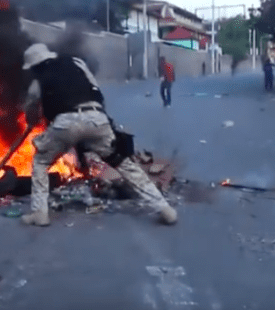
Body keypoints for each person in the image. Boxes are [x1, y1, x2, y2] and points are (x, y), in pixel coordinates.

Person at [20, 43, 177, 227]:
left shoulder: (38, 81)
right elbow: (95, 90)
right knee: (125, 165)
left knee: (40, 162)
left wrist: (36, 118)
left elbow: (31, 111)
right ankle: (165, 209)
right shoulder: (76, 63)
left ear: (35, 64)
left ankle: (40, 213)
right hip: (96, 119)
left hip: (65, 125)